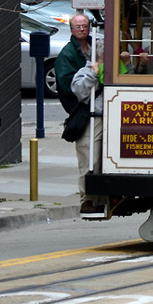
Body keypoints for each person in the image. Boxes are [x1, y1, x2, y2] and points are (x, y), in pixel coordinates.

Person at [55, 13, 104, 214]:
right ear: (71, 29)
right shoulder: (67, 55)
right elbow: (70, 88)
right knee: (88, 157)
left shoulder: (97, 45)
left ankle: (102, 198)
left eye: (85, 25)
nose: (82, 29)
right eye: (78, 26)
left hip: (102, 109)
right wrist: (92, 75)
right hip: (84, 112)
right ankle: (87, 199)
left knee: (102, 160)